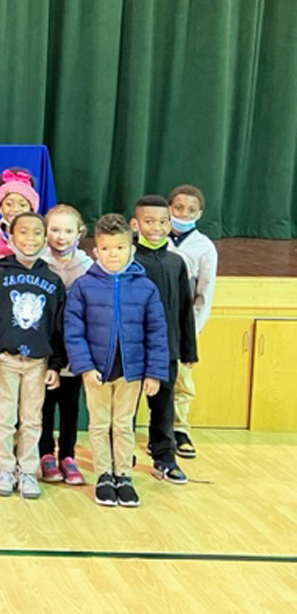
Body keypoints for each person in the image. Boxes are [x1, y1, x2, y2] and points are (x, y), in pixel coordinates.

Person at [66, 214, 168, 507]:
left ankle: (123, 474)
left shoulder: (146, 287)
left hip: (132, 371)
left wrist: (154, 373)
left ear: (131, 249)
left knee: (123, 425)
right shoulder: (83, 287)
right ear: (96, 251)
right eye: (107, 249)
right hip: (96, 371)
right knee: (99, 425)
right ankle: (103, 476)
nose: (114, 254)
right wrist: (84, 367)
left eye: (120, 248)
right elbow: (74, 331)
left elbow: (156, 333)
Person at [0, 212, 65, 500]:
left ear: (45, 238)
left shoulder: (52, 279)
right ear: (11, 237)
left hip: (38, 363)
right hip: (5, 360)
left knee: (31, 419)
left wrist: (56, 363)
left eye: (37, 233)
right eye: (23, 232)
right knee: (4, 418)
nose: (30, 239)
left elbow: (59, 325)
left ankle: (27, 471)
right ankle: (4, 468)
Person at [131, 195, 197, 484]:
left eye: (162, 221)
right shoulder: (127, 259)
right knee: (125, 408)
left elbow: (185, 308)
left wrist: (187, 350)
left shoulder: (176, 262)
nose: (156, 227)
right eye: (148, 221)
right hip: (131, 350)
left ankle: (164, 458)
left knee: (163, 407)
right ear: (135, 224)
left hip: (165, 350)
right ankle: (119, 455)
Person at [38, 204, 93, 485]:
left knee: (70, 405)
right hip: (44, 348)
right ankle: (45, 454)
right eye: (55, 230)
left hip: (74, 348)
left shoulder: (88, 268)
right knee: (44, 404)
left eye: (68, 230)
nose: (61, 236)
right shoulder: (38, 262)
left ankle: (68, 456)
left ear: (79, 233)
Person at [167, 184, 218, 459]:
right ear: (169, 208)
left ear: (200, 213)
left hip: (182, 324)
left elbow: (204, 294)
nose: (183, 214)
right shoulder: (155, 238)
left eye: (191, 210)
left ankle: (180, 429)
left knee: (182, 380)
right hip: (152, 321)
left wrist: (192, 333)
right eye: (178, 208)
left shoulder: (204, 248)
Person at [0, 167, 41, 263]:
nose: (15, 209)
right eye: (9, 204)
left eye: (22, 205)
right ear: (0, 207)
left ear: (31, 209)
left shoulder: (39, 242)